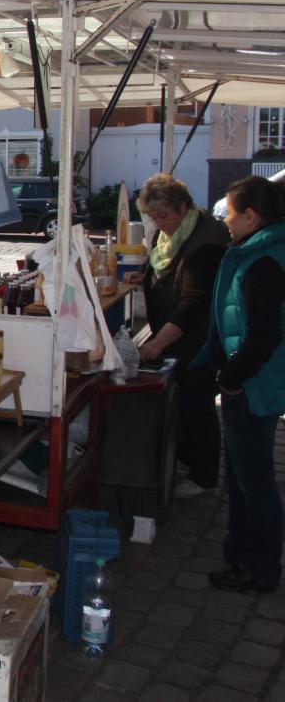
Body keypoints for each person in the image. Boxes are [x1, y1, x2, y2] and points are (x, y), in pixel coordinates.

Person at [193, 175, 285, 595]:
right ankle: (246, 557)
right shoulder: (257, 252)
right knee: (248, 477)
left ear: (251, 216)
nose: (224, 221)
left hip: (251, 385)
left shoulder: (262, 261)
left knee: (253, 482)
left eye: (229, 213)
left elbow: (263, 335)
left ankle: (258, 567)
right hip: (251, 381)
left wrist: (230, 379)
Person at [130, 173, 229, 499]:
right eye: (153, 217)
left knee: (198, 406)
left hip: (195, 343)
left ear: (183, 207)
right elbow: (163, 264)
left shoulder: (205, 243)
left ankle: (204, 476)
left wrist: (158, 343)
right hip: (178, 339)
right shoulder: (174, 233)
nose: (159, 224)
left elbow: (192, 303)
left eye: (164, 216)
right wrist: (143, 275)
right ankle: (187, 460)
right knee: (185, 403)